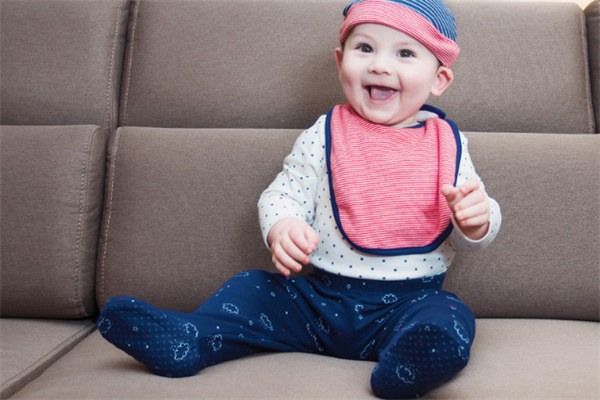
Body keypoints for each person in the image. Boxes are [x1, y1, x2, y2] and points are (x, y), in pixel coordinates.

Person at [97, 0, 502, 398]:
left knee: (449, 315)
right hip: (318, 306)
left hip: (408, 308)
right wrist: (283, 226)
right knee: (252, 287)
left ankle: (408, 365)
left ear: (439, 79)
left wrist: (477, 221)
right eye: (365, 48)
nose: (380, 65)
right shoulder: (323, 134)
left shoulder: (447, 146)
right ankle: (190, 339)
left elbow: (474, 212)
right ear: (340, 60)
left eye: (405, 53)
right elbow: (284, 193)